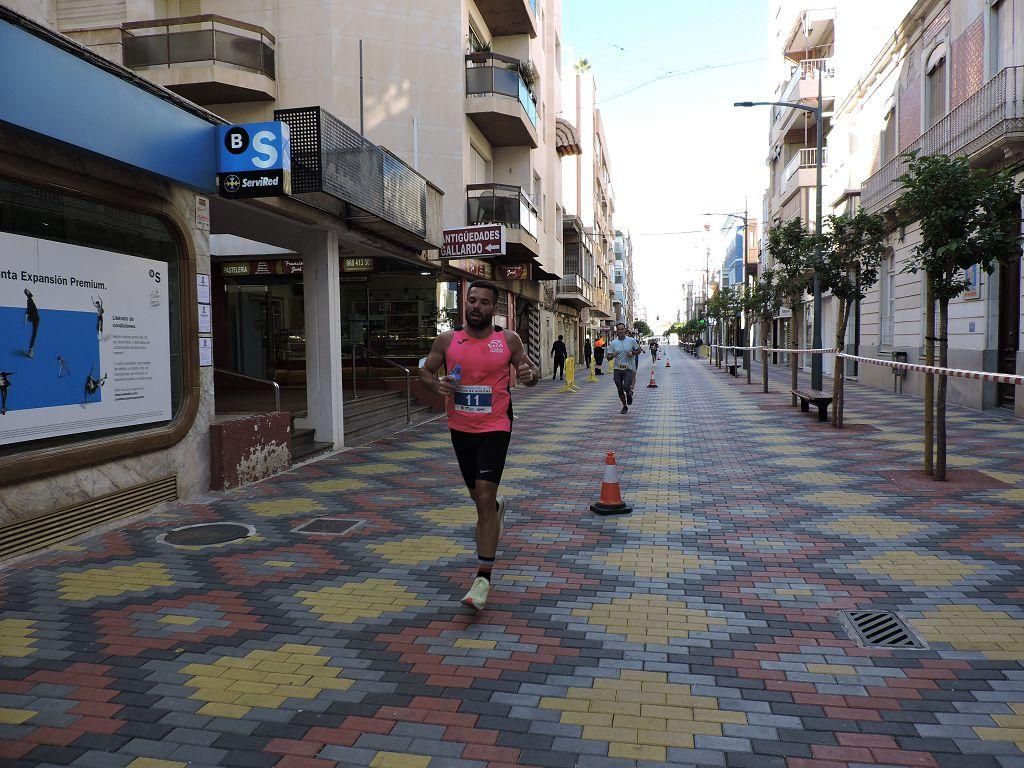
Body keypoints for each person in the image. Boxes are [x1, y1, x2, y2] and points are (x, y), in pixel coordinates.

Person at [419, 281, 538, 611]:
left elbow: (530, 373)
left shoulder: (507, 340)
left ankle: (483, 578)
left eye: (484, 302)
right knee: (479, 497)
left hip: (496, 425)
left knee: (483, 496)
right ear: (465, 303)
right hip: (460, 428)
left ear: (493, 309)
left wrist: (531, 375)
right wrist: (437, 384)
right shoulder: (447, 340)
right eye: (472, 300)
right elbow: (425, 373)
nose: (476, 306)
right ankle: (497, 509)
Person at [606, 322, 641, 414]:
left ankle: (629, 393)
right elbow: (608, 357)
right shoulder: (613, 343)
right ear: (617, 331)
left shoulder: (631, 340)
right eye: (619, 329)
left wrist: (633, 353)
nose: (621, 331)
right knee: (620, 389)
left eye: (622, 329)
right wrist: (613, 355)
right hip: (617, 369)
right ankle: (624, 406)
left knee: (626, 387)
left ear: (625, 330)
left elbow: (639, 350)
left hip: (628, 368)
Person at [24, 289, 39, 358]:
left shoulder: (30, 300)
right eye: (28, 291)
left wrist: (26, 316)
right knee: (34, 334)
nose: (29, 292)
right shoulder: (29, 300)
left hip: (36, 319)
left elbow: (29, 309)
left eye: (29, 291)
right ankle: (30, 349)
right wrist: (26, 316)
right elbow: (28, 308)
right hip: (34, 319)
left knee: (34, 334)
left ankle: (31, 349)